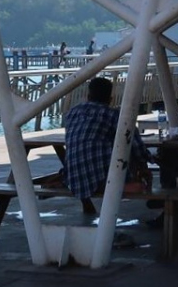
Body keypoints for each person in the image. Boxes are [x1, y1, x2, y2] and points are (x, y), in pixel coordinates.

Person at [62, 76, 149, 215]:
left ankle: (87, 201)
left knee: (86, 152)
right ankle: (123, 184)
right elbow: (136, 145)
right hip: (101, 177)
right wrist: (146, 163)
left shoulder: (72, 113)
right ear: (110, 99)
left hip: (73, 177)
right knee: (125, 148)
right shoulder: (114, 115)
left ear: (88, 96)